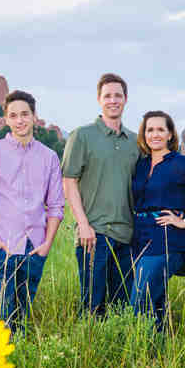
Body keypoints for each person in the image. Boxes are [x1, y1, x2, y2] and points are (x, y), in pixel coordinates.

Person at [0, 90, 64, 333]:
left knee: (22, 319)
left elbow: (56, 205)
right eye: (13, 115)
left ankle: (18, 356)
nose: (19, 120)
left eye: (24, 114)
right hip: (1, 245)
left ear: (34, 116)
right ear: (6, 119)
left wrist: (47, 244)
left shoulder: (49, 157)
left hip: (34, 247)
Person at [131, 110, 185, 332]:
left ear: (170, 134)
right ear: (144, 134)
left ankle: (142, 344)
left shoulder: (183, 164)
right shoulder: (140, 166)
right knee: (155, 301)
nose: (155, 134)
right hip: (139, 238)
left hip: (167, 239)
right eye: (150, 130)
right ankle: (159, 346)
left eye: (161, 129)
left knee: (140, 298)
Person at [62, 73, 140, 317]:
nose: (113, 100)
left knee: (121, 308)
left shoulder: (135, 142)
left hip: (127, 236)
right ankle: (89, 341)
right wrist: (83, 225)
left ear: (126, 99)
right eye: (107, 96)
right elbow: (69, 182)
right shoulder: (82, 136)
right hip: (93, 235)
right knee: (92, 307)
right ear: (99, 99)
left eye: (118, 95)